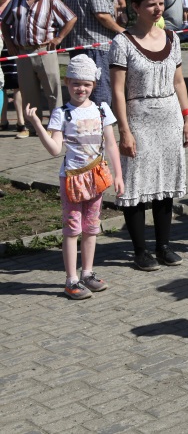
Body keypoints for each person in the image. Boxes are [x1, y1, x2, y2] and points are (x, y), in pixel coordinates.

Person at [110, 0, 188, 271]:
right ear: (135, 7)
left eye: (161, 3)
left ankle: (163, 247)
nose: (158, 8)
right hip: (139, 118)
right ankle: (140, 251)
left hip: (170, 117)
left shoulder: (172, 38)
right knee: (135, 184)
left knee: (165, 183)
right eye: (151, 4)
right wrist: (124, 130)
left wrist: (187, 117)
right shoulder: (122, 42)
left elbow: (179, 81)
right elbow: (117, 91)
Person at [25, 55, 124, 300]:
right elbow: (54, 149)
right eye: (76, 83)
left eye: (86, 84)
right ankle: (71, 279)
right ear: (67, 82)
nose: (81, 88)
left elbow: (111, 144)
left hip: (97, 176)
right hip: (72, 178)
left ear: (94, 85)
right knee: (72, 229)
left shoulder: (102, 110)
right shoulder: (61, 113)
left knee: (91, 227)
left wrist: (119, 175)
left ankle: (87, 273)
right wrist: (37, 123)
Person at [0, 0, 77, 129]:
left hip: (44, 50)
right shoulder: (16, 0)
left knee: (53, 91)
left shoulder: (51, 0)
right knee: (28, 92)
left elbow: (71, 18)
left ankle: (57, 126)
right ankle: (32, 127)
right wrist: (9, 43)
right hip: (23, 53)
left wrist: (59, 38)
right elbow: (5, 22)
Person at [63, 0, 126, 107]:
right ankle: (101, 114)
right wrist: (121, 30)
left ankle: (84, 112)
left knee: (80, 84)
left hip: (76, 45)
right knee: (99, 84)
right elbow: (102, 15)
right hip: (96, 46)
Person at [0, 0, 26, 136]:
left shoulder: (14, 6)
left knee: (17, 85)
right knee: (1, 86)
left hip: (12, 49)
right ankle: (2, 120)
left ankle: (21, 122)